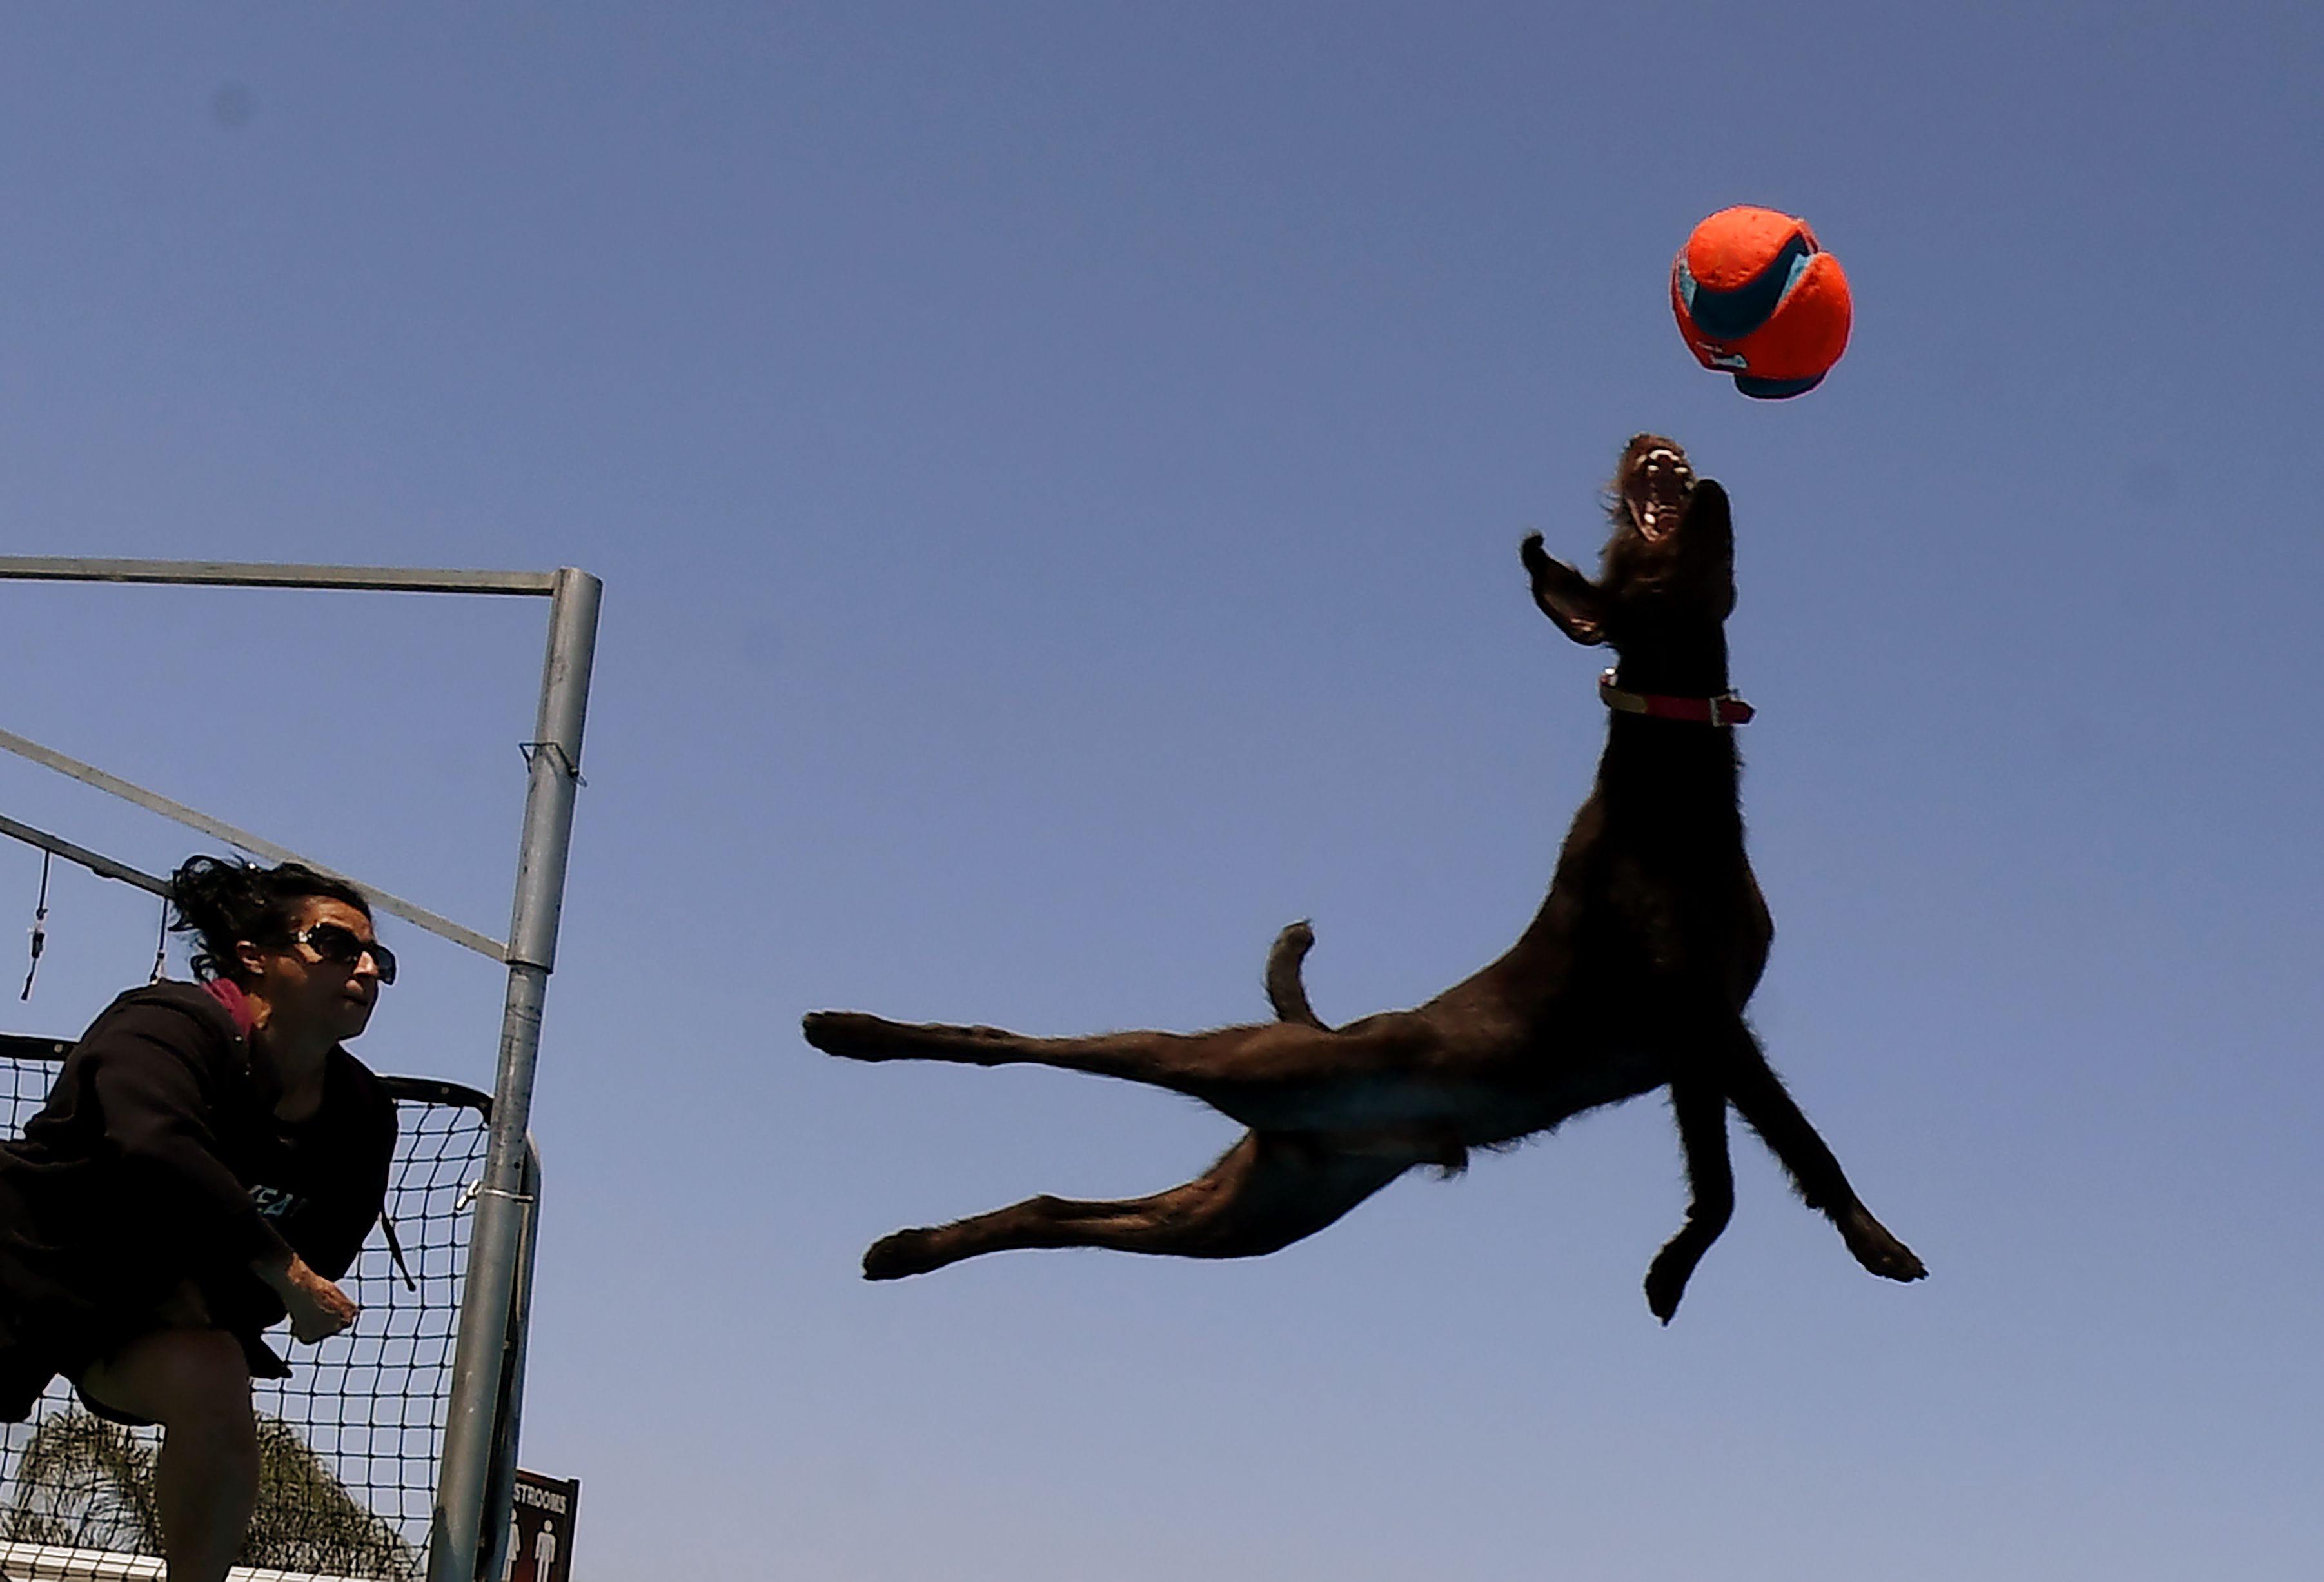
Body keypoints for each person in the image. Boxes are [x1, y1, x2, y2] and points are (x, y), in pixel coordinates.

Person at [0, 856, 399, 1582]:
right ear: (254, 955)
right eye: (337, 944)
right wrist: (284, 1270)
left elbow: (326, 1250)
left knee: (215, 1371)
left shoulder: (362, 1114)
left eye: (379, 957)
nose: (367, 968)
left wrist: (239, 1285)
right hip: (22, 1264)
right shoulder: (166, 1023)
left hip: (135, 1315)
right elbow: (155, 1147)